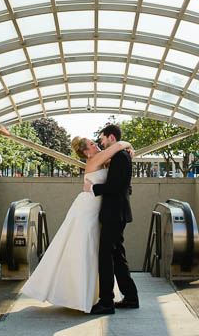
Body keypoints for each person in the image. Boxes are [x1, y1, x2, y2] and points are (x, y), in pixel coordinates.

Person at [20, 135, 133, 313]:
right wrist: (128, 145)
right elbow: (119, 144)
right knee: (83, 249)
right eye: (91, 144)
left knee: (93, 250)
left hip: (97, 209)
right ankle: (82, 295)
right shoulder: (96, 159)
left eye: (95, 142)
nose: (96, 144)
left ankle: (94, 296)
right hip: (87, 209)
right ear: (86, 152)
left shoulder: (102, 159)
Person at [85, 123, 139, 314]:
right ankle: (131, 297)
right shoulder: (119, 156)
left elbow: (115, 187)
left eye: (102, 138)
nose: (101, 141)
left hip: (114, 214)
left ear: (111, 138)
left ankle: (107, 302)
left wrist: (92, 189)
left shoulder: (120, 157)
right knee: (117, 255)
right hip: (117, 213)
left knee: (106, 256)